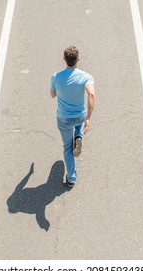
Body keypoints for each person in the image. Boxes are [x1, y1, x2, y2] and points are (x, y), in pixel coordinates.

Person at [50, 46, 96, 188]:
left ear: (64, 59)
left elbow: (52, 95)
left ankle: (71, 179)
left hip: (64, 118)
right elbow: (91, 95)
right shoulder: (86, 77)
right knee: (79, 124)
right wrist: (88, 117)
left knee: (68, 147)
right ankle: (79, 135)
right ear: (78, 59)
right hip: (80, 116)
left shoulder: (56, 77)